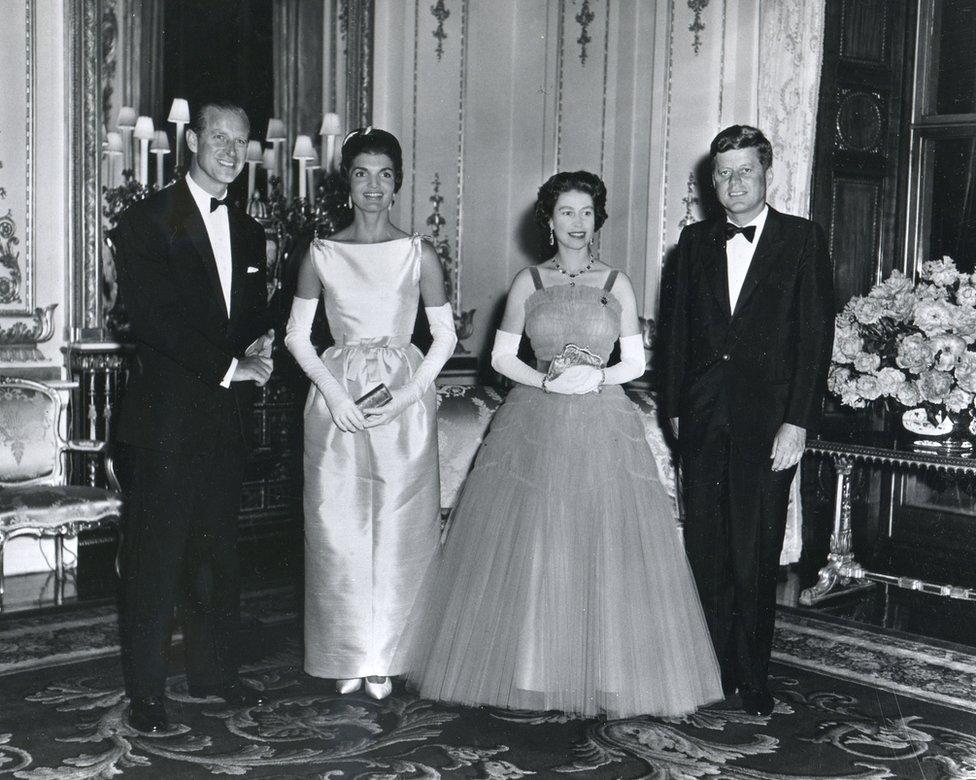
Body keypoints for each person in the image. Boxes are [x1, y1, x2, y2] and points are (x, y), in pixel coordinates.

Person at [395, 171, 723, 719]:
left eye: (587, 212)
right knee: (541, 541)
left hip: (602, 421)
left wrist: (594, 378)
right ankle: (535, 669)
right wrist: (548, 380)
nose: (577, 223)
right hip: (536, 420)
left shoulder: (617, 282)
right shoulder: (530, 281)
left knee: (604, 543)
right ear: (548, 220)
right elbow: (501, 357)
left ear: (598, 219)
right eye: (566, 212)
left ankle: (609, 672)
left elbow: (638, 361)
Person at [660, 125, 834, 716]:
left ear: (766, 175)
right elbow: (678, 333)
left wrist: (798, 423)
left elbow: (815, 340)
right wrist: (677, 409)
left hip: (771, 425)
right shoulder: (693, 242)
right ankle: (713, 670)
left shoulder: (803, 240)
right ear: (712, 180)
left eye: (745, 172)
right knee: (706, 548)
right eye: (723, 173)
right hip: (703, 419)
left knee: (754, 552)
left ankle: (755, 676)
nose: (733, 183)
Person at [112, 100, 275, 733]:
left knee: (216, 551)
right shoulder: (146, 222)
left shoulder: (252, 231)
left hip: (225, 419)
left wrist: (261, 345)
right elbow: (153, 322)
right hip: (166, 422)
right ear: (193, 141)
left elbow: (252, 315)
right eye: (219, 138)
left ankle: (213, 671)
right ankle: (148, 693)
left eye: (242, 140)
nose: (231, 151)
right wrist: (232, 367)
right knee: (157, 556)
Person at [284, 127, 456, 701]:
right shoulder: (321, 254)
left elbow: (445, 337)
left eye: (385, 174)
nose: (374, 186)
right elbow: (296, 337)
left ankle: (389, 655)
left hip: (402, 402)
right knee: (338, 528)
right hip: (337, 403)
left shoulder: (417, 253)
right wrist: (334, 395)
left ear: (398, 181)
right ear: (347, 182)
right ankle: (347, 652)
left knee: (402, 528)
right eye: (362, 173)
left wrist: (407, 396)